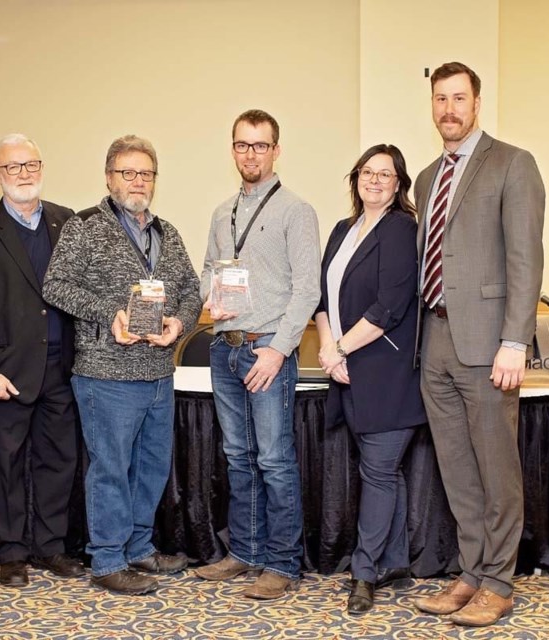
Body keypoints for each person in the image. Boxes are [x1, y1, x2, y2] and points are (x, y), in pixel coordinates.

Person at [413, 62, 544, 627]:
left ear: (477, 102)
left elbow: (525, 260)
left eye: (459, 98)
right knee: (458, 471)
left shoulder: (513, 163)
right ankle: (471, 572)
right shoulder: (424, 178)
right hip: (434, 339)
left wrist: (514, 340)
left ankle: (499, 582)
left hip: (489, 345)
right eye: (440, 99)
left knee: (496, 470)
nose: (449, 109)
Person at [42, 134, 202, 595]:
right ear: (109, 177)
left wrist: (178, 323)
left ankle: (137, 548)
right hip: (105, 374)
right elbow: (56, 286)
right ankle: (108, 561)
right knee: (110, 468)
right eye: (128, 172)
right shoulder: (84, 227)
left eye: (146, 173)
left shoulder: (166, 232)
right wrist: (110, 310)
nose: (138, 181)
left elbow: (191, 291)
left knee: (151, 466)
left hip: (158, 373)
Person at [193, 109, 321, 600]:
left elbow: (307, 291)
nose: (251, 153)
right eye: (243, 145)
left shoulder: (296, 211)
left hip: (267, 350)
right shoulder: (221, 211)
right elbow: (208, 270)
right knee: (238, 458)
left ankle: (283, 563)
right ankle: (244, 553)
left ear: (276, 150)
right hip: (224, 351)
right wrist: (207, 294)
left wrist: (277, 351)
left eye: (260, 145)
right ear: (233, 150)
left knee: (274, 461)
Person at [0, 134, 82, 587]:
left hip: (62, 367)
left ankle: (49, 546)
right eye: (13, 167)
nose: (24, 174)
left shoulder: (65, 221)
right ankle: (11, 551)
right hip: (6, 371)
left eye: (31, 165)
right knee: (5, 464)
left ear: (42, 168)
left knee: (57, 459)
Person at [313, 144, 426, 615]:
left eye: (385, 174)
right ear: (355, 178)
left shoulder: (401, 229)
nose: (374, 180)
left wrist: (339, 348)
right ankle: (393, 559)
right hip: (346, 368)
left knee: (378, 473)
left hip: (387, 372)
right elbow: (322, 300)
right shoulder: (343, 229)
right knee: (383, 471)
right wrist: (327, 350)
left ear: (399, 183)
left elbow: (388, 309)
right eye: (366, 172)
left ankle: (364, 573)